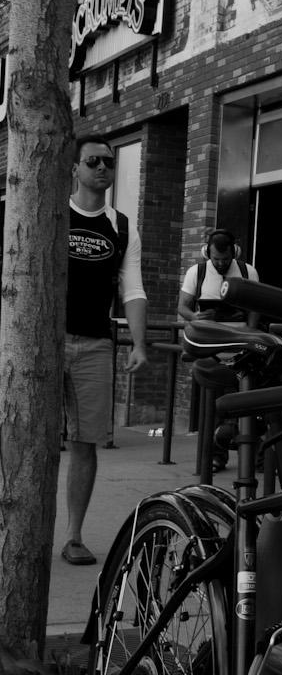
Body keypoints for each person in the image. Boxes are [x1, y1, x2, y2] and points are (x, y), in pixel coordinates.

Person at [62, 134, 149, 565]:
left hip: (95, 344)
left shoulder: (121, 226)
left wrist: (138, 342)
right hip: (42, 344)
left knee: (85, 442)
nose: (102, 168)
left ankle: (74, 536)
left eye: (108, 163)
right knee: (23, 435)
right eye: (93, 161)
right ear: (74, 168)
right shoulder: (52, 214)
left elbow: (132, 289)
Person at [177, 228, 260, 471]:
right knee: (213, 406)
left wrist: (251, 333)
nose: (221, 264)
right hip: (210, 347)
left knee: (250, 403)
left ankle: (255, 457)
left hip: (242, 348)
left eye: (225, 260)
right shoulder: (198, 271)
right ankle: (214, 457)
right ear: (208, 253)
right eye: (216, 260)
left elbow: (256, 306)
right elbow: (183, 306)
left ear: (233, 252)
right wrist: (196, 317)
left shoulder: (247, 271)